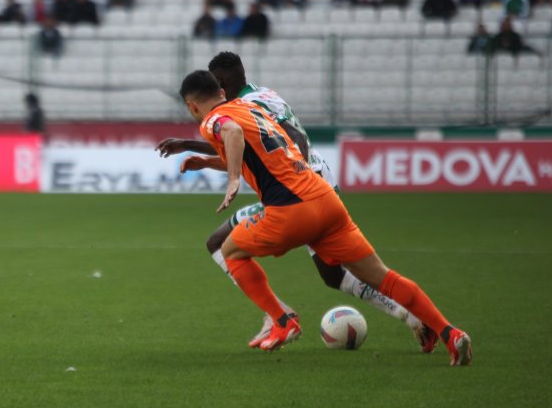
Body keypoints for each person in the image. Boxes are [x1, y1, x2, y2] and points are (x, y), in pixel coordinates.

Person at [173, 68, 471, 364]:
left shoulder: (212, 120)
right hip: (326, 200)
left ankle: (282, 320)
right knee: (384, 277)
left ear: (192, 106)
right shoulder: (250, 107)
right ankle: (450, 332)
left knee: (230, 251)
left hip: (291, 209)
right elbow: (260, 153)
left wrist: (234, 179)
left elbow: (233, 133)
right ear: (222, 93)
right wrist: (210, 162)